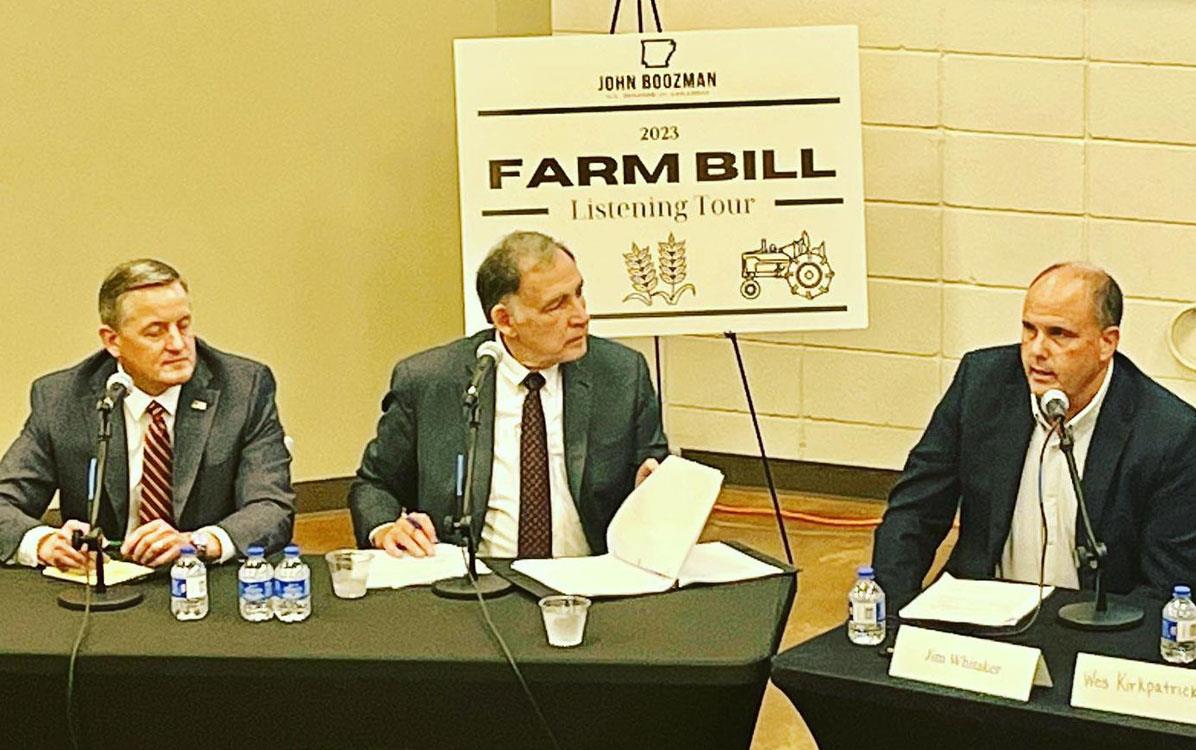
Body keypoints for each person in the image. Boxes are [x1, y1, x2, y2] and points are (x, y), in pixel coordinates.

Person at [873, 262, 1196, 607]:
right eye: (1029, 329)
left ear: (1107, 343)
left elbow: (1168, 586)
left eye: (1059, 334)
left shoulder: (1169, 433)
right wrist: (892, 616)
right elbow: (914, 513)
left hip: (1099, 625)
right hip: (982, 613)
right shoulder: (981, 385)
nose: (1037, 349)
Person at [350, 230, 669, 559]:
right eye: (556, 305)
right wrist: (386, 527)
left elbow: (654, 475)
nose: (581, 316)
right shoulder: (430, 381)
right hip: (476, 584)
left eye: (578, 294)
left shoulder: (621, 374)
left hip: (589, 580)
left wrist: (652, 490)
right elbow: (375, 485)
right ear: (505, 320)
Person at [0, 259, 295, 571]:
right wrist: (43, 542)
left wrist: (197, 542)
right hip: (106, 582)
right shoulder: (62, 398)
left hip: (204, 581)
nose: (178, 344)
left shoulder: (243, 388)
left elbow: (272, 508)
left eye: (183, 325)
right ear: (112, 341)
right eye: (156, 332)